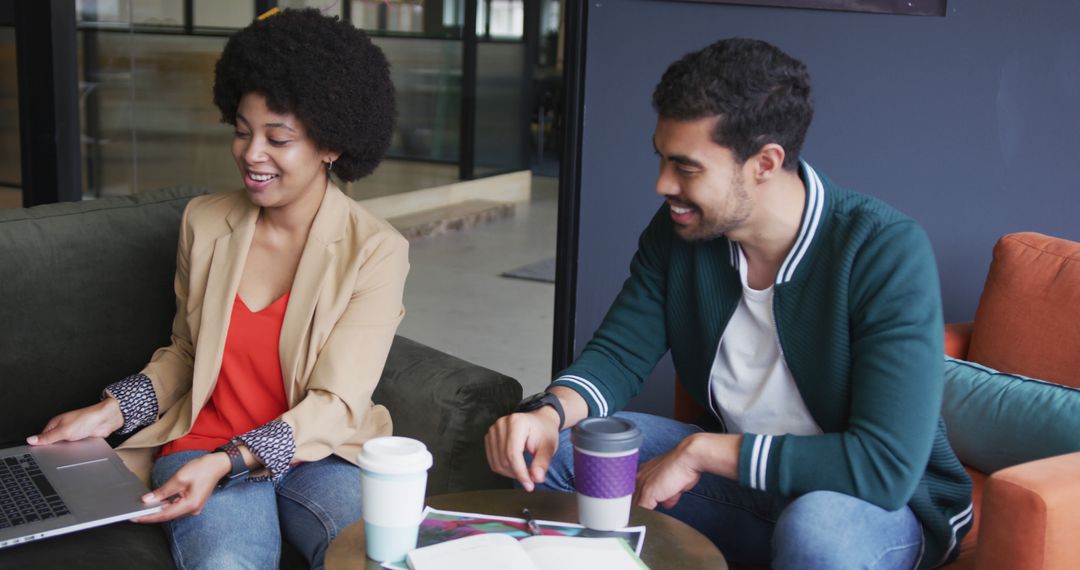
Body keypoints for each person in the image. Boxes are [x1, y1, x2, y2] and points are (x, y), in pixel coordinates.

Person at [486, 38, 972, 569]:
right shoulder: (682, 232)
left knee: (816, 532)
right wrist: (549, 413)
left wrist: (700, 452)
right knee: (565, 452)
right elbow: (620, 355)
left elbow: (885, 466)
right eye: (661, 159)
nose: (662, 184)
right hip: (747, 483)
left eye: (687, 168)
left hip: (878, 507)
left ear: (764, 162)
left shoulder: (881, 248)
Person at [26, 8, 405, 569]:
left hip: (318, 452)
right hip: (201, 441)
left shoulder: (374, 250)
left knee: (380, 555)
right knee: (227, 561)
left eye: (277, 138)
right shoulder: (204, 223)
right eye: (242, 131)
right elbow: (186, 353)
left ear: (331, 146)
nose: (251, 154)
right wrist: (108, 413)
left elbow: (336, 404)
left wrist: (235, 460)